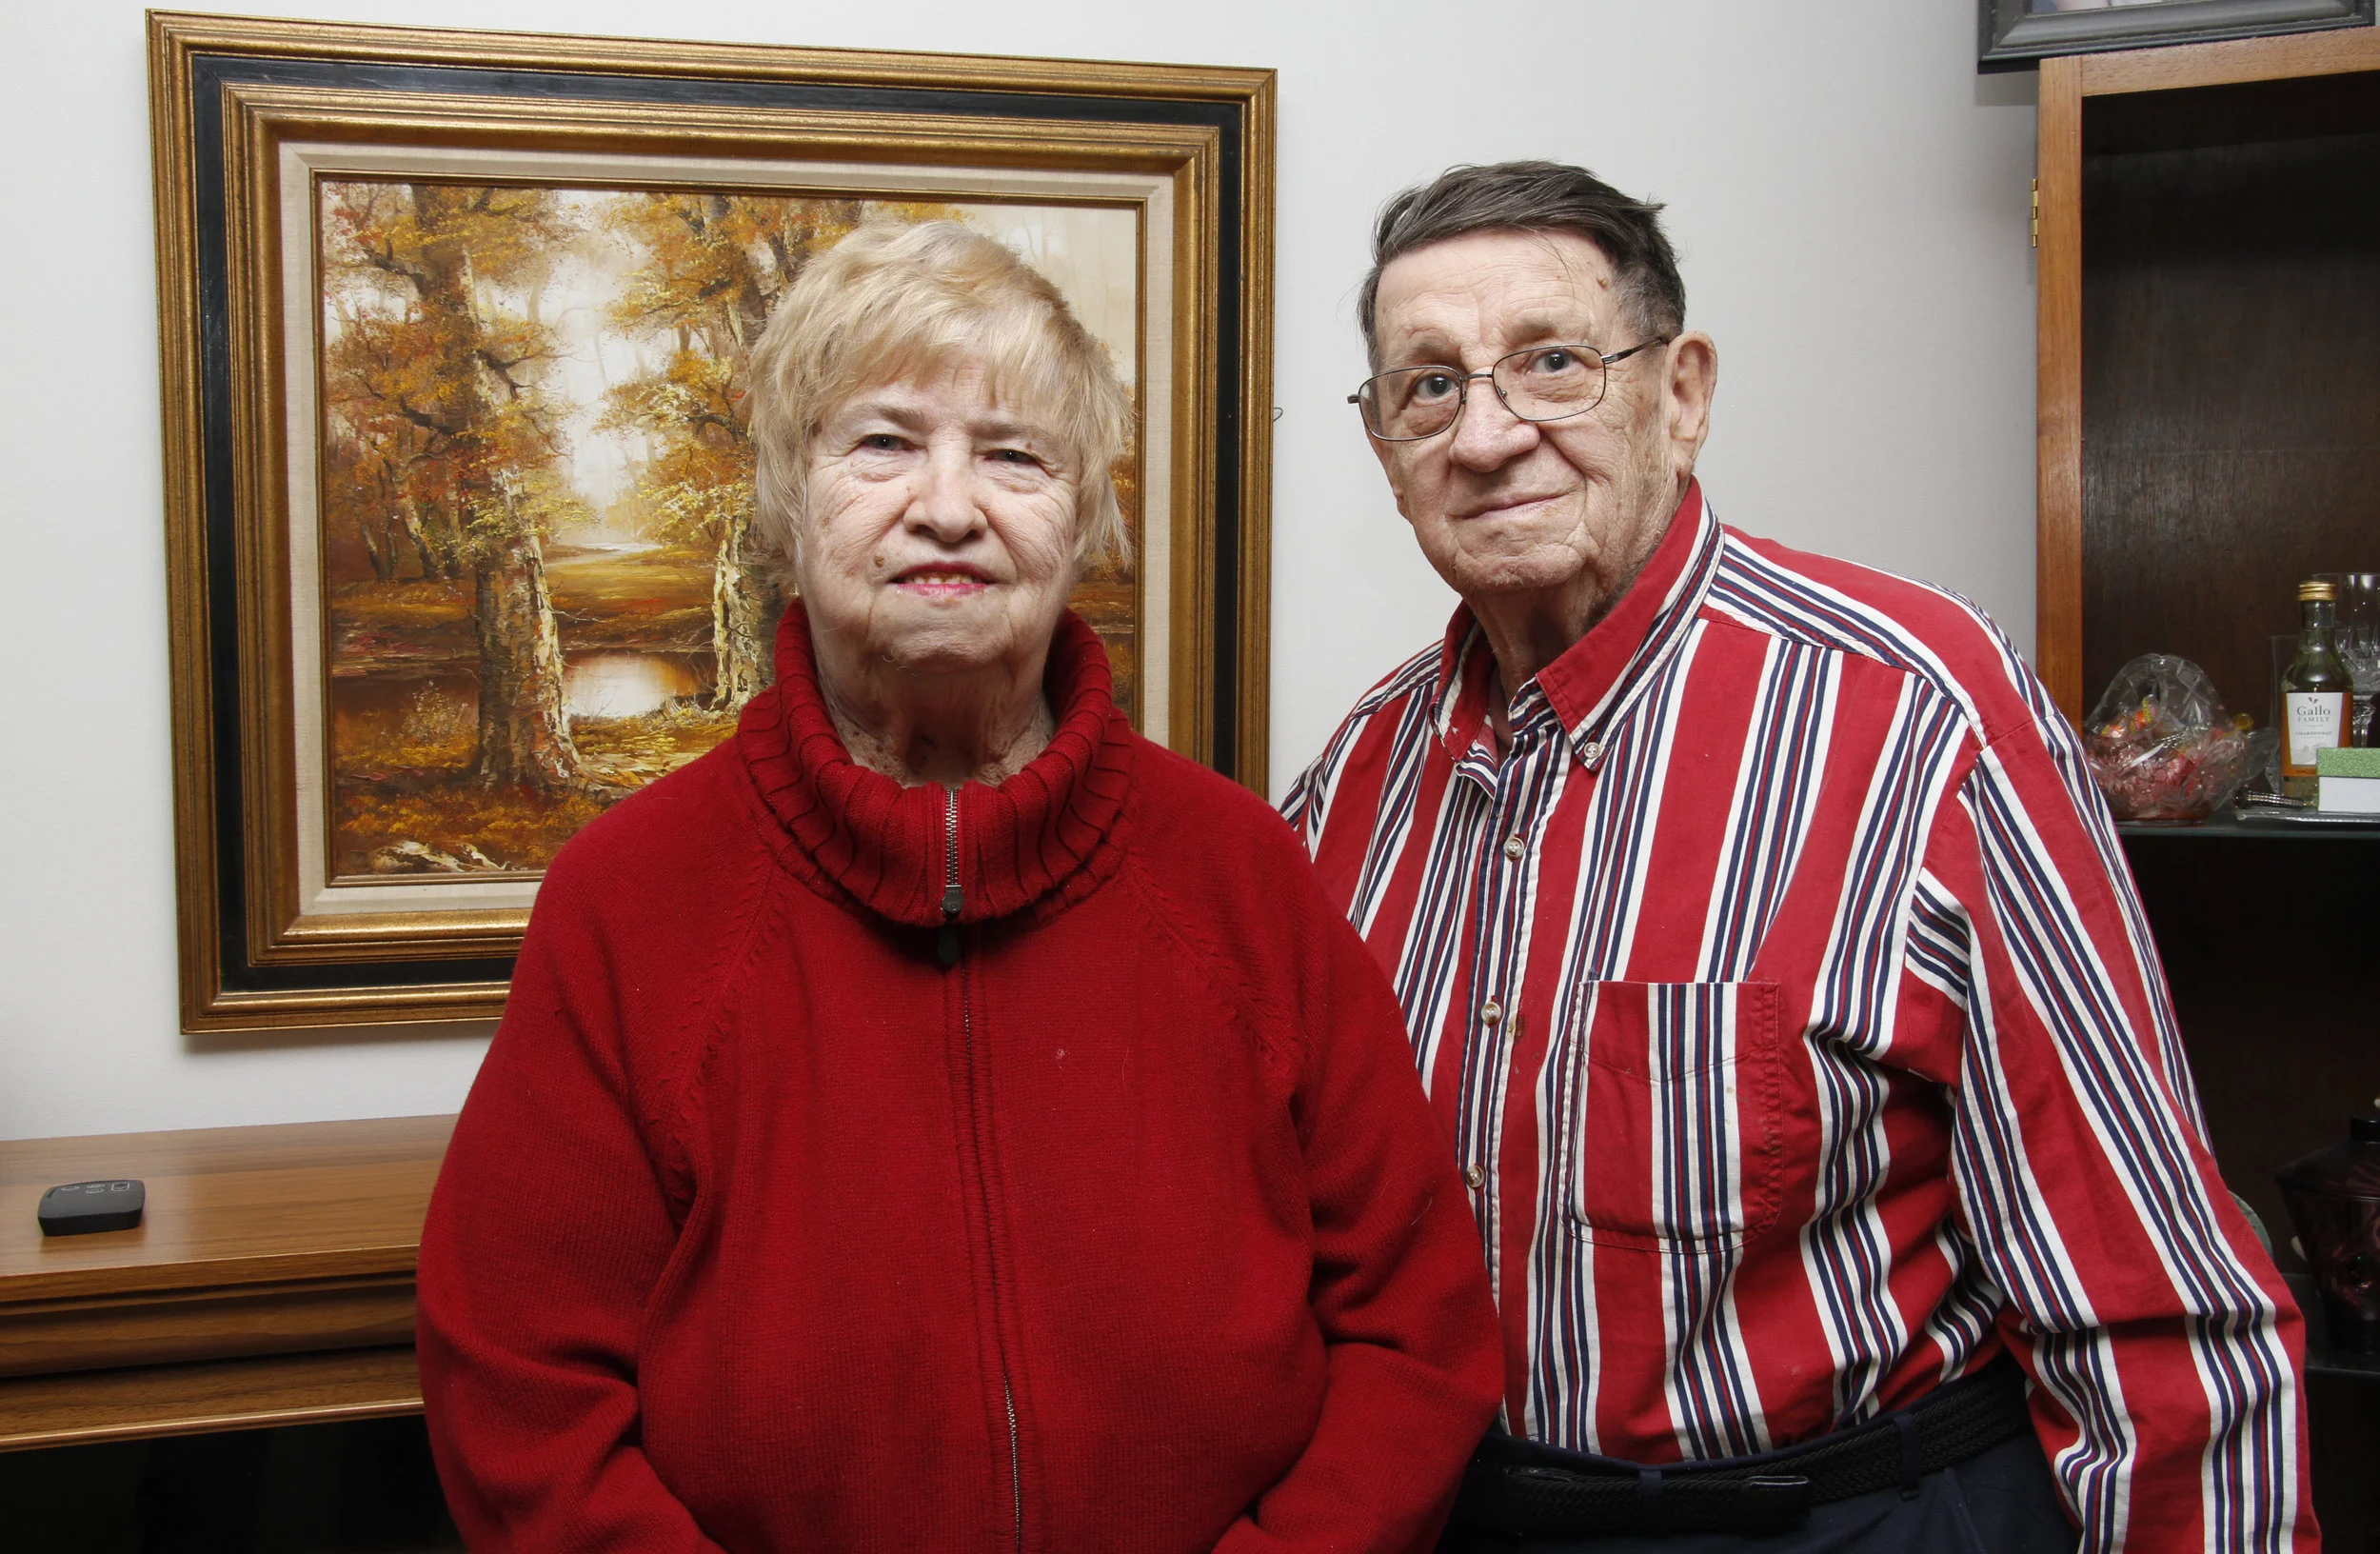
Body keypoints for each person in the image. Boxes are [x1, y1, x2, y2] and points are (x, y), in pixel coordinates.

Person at [417, 220, 1503, 1553]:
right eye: (882, 444)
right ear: (788, 498)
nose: (947, 507)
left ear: (1084, 518)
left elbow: (1417, 1328)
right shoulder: (628, 899)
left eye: (1013, 454)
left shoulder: (1239, 871)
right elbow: (521, 1397)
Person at [1285, 162, 2316, 1553]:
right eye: (1429, 387)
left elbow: (2147, 1286)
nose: (1485, 435)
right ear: (1383, 446)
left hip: (1852, 1515)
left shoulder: (1919, 714)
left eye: (1552, 364)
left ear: (1683, 393)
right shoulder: (1356, 774)